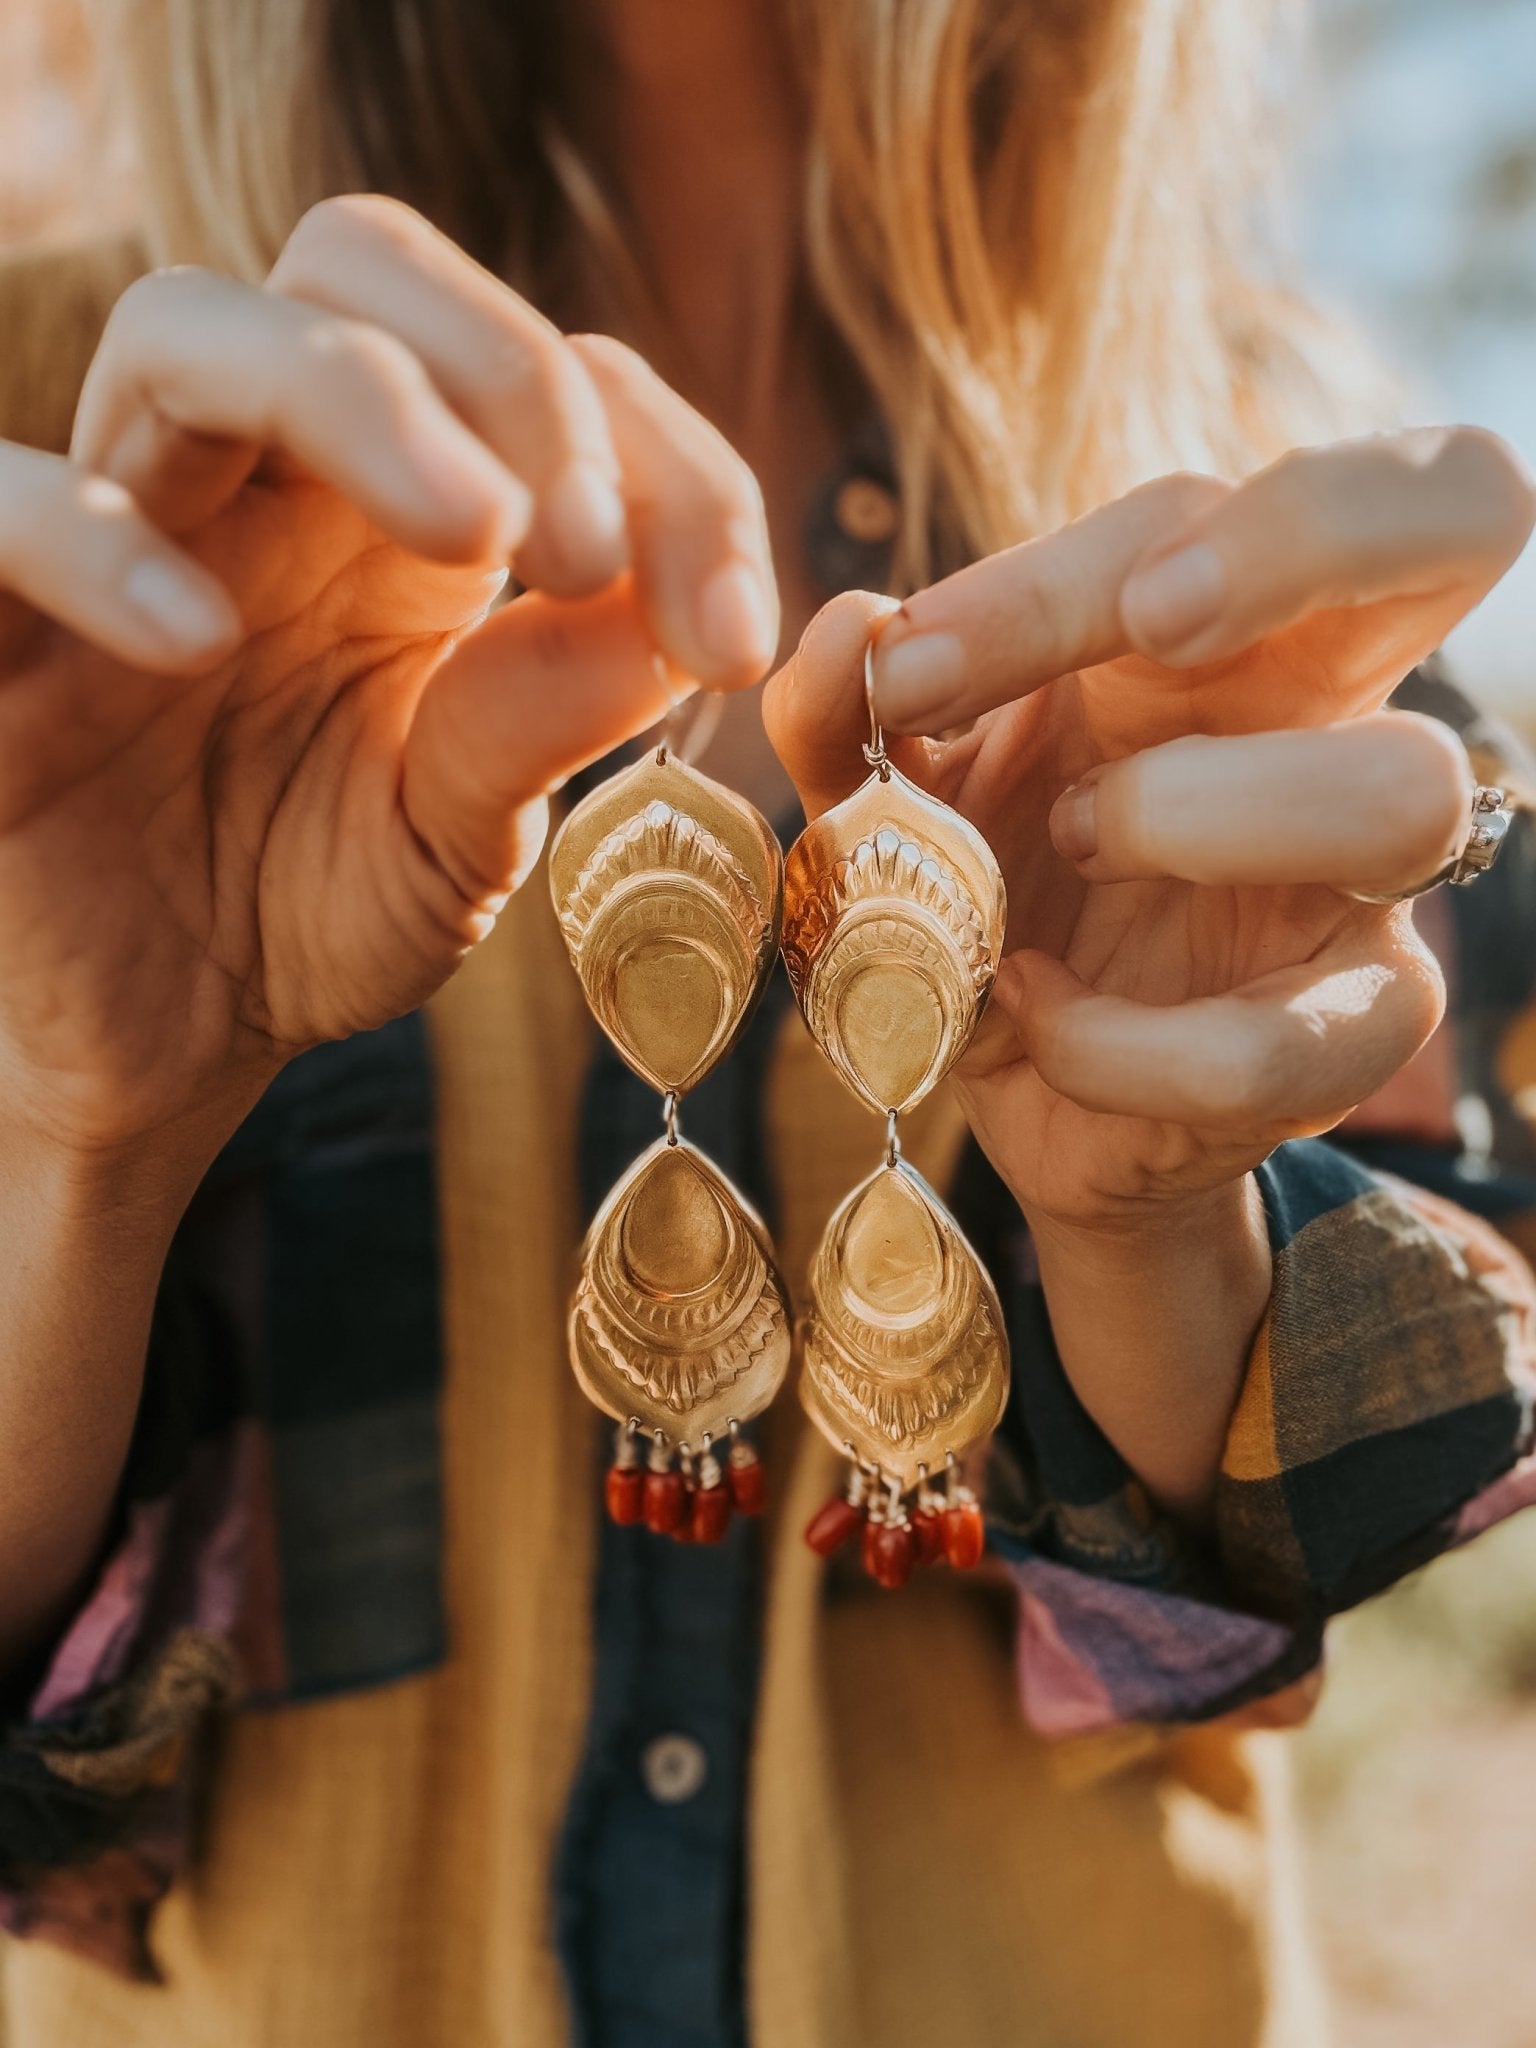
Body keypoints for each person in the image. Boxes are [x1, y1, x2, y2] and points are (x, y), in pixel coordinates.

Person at [0, 1, 1533, 2042]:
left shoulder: (1241, 493)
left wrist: (1154, 1228)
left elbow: (1329, 1533)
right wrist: (67, 1129)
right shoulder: (75, 449)